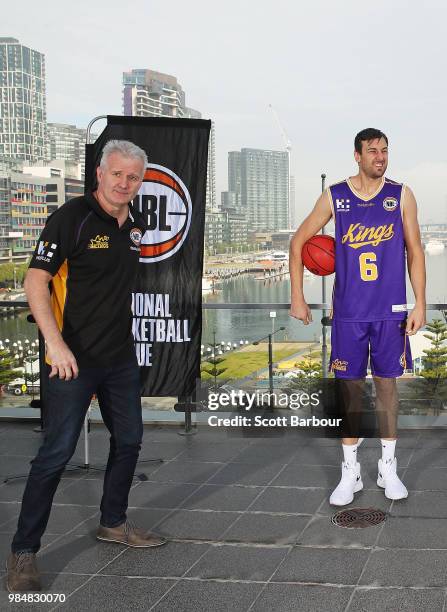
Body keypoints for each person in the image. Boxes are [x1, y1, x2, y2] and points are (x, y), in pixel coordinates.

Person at [6, 140, 166, 593]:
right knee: (55, 454)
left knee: (130, 441)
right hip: (70, 359)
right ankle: (23, 551)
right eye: (117, 174)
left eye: (133, 177)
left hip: (118, 357)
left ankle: (113, 523)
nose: (124, 183)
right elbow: (35, 280)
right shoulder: (71, 219)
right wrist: (54, 345)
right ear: (99, 173)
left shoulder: (133, 225)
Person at [290, 128, 426, 506]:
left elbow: (415, 250)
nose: (380, 157)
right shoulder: (336, 195)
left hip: (390, 313)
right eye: (372, 151)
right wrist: (297, 296)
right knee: (348, 391)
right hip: (349, 313)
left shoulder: (401, 195)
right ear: (357, 155)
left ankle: (387, 465)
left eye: (385, 150)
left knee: (386, 388)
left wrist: (420, 303)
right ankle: (350, 470)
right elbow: (299, 241)